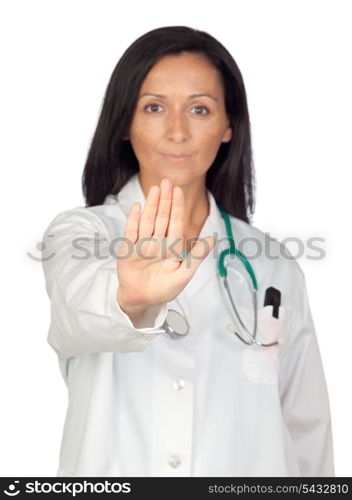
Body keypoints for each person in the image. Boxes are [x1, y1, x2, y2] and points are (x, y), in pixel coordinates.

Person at [41, 25, 335, 477]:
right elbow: (76, 315)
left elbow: (305, 426)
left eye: (200, 109)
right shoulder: (82, 235)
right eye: (154, 107)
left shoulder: (274, 263)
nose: (177, 131)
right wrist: (128, 298)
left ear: (227, 126)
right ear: (124, 123)